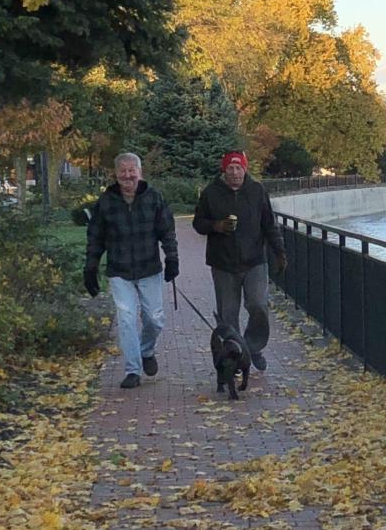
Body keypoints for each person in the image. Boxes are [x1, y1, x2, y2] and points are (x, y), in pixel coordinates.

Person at [84, 152, 179, 389]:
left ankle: (146, 351)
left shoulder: (153, 197)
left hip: (149, 268)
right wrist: (91, 266)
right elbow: (95, 237)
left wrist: (172, 258)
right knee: (126, 318)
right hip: (119, 270)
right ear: (115, 175)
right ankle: (133, 370)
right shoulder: (106, 202)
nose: (127, 175)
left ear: (140, 172)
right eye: (122, 171)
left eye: (131, 170)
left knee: (155, 320)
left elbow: (167, 231)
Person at [192, 151, 287, 372]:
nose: (235, 173)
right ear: (223, 171)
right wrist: (216, 226)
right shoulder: (211, 193)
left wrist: (280, 252)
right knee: (228, 314)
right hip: (223, 263)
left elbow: (269, 224)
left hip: (254, 260)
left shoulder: (257, 191)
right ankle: (234, 355)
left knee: (258, 305)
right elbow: (198, 223)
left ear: (245, 169)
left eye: (239, 168)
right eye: (230, 169)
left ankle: (253, 347)